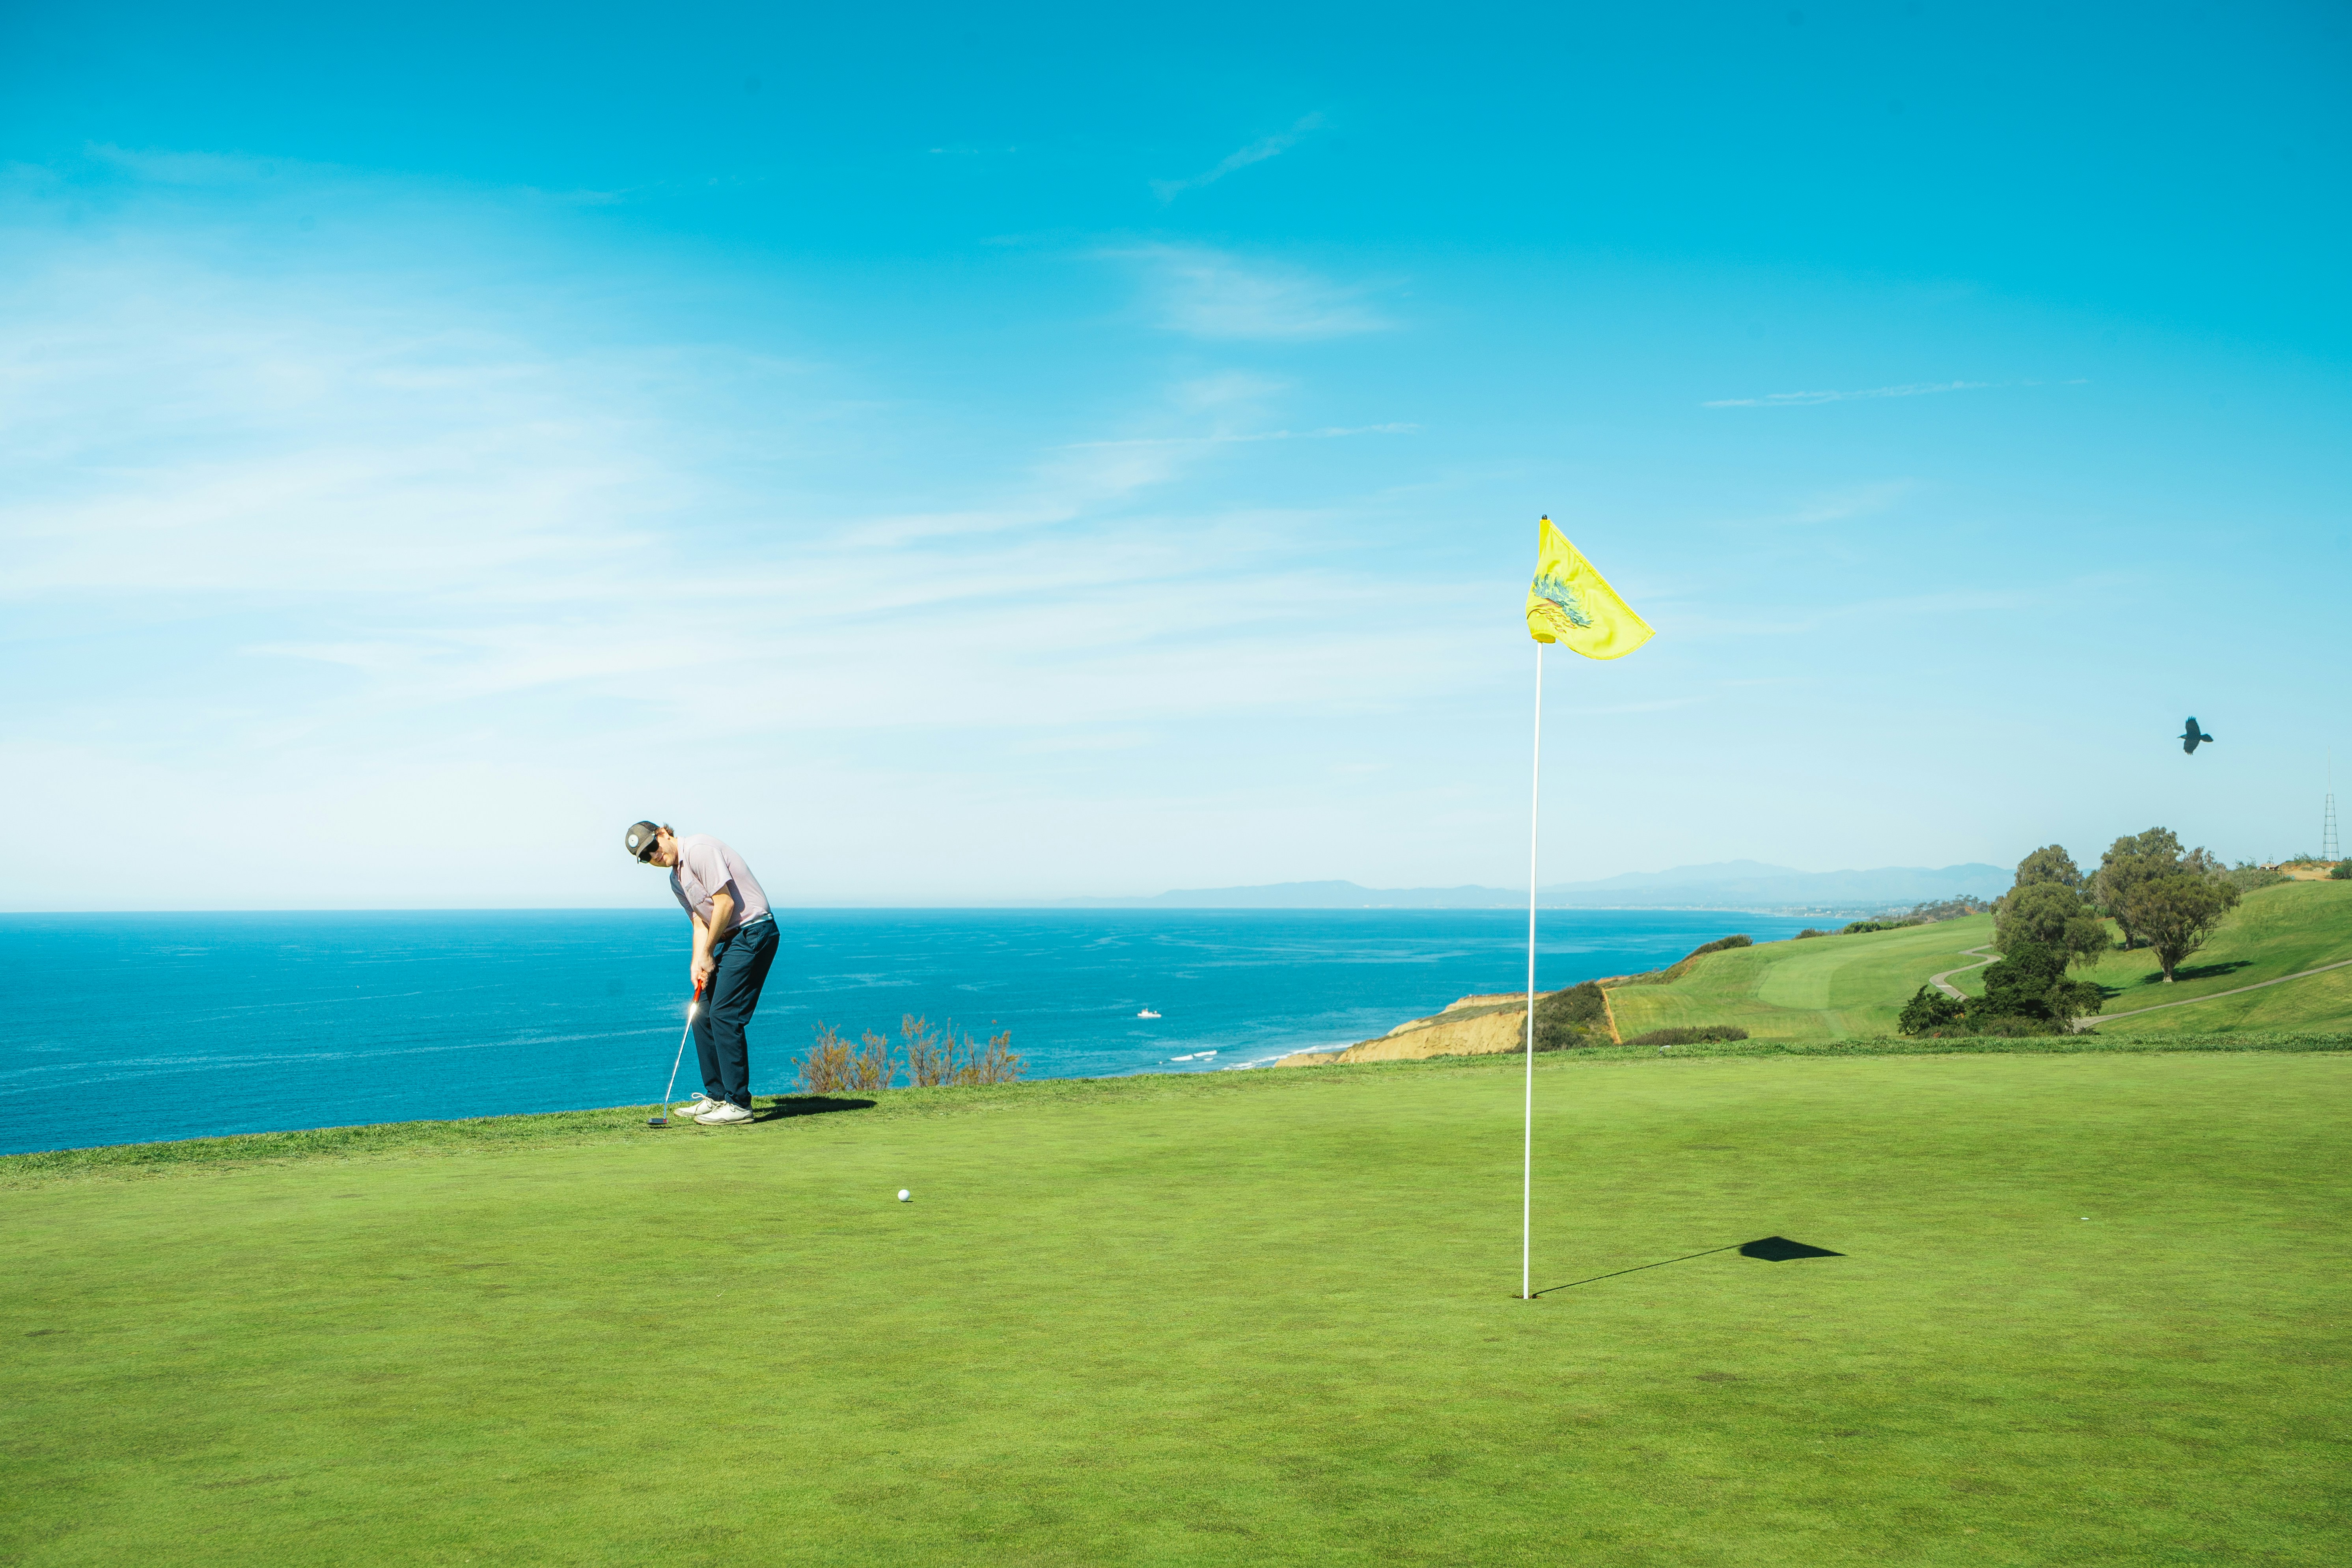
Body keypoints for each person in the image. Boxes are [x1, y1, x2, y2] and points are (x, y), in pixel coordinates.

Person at [624, 821, 779, 1125]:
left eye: (653, 847)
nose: (654, 855)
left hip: (754, 932)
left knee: (724, 1013)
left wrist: (709, 953)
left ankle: (739, 1104)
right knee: (702, 1010)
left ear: (664, 834)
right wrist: (698, 962)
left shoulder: (699, 849)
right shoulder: (675, 879)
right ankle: (718, 1096)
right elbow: (700, 921)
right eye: (645, 856)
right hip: (732, 938)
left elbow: (725, 903)